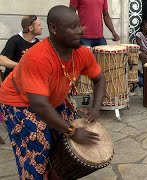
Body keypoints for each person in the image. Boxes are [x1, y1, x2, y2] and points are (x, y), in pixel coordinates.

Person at [0, 5, 106, 179]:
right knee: (38, 143)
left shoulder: (81, 53)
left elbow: (99, 78)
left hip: (48, 98)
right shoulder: (38, 57)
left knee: (64, 141)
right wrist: (72, 131)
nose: (80, 31)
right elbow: (39, 105)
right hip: (18, 100)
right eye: (72, 27)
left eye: (79, 25)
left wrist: (96, 108)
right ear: (54, 29)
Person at [1, 15, 43, 80]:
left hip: (28, 81)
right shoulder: (15, 40)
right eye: (39, 25)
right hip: (12, 81)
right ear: (31, 28)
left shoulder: (37, 42)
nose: (42, 27)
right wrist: (21, 66)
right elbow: (1, 60)